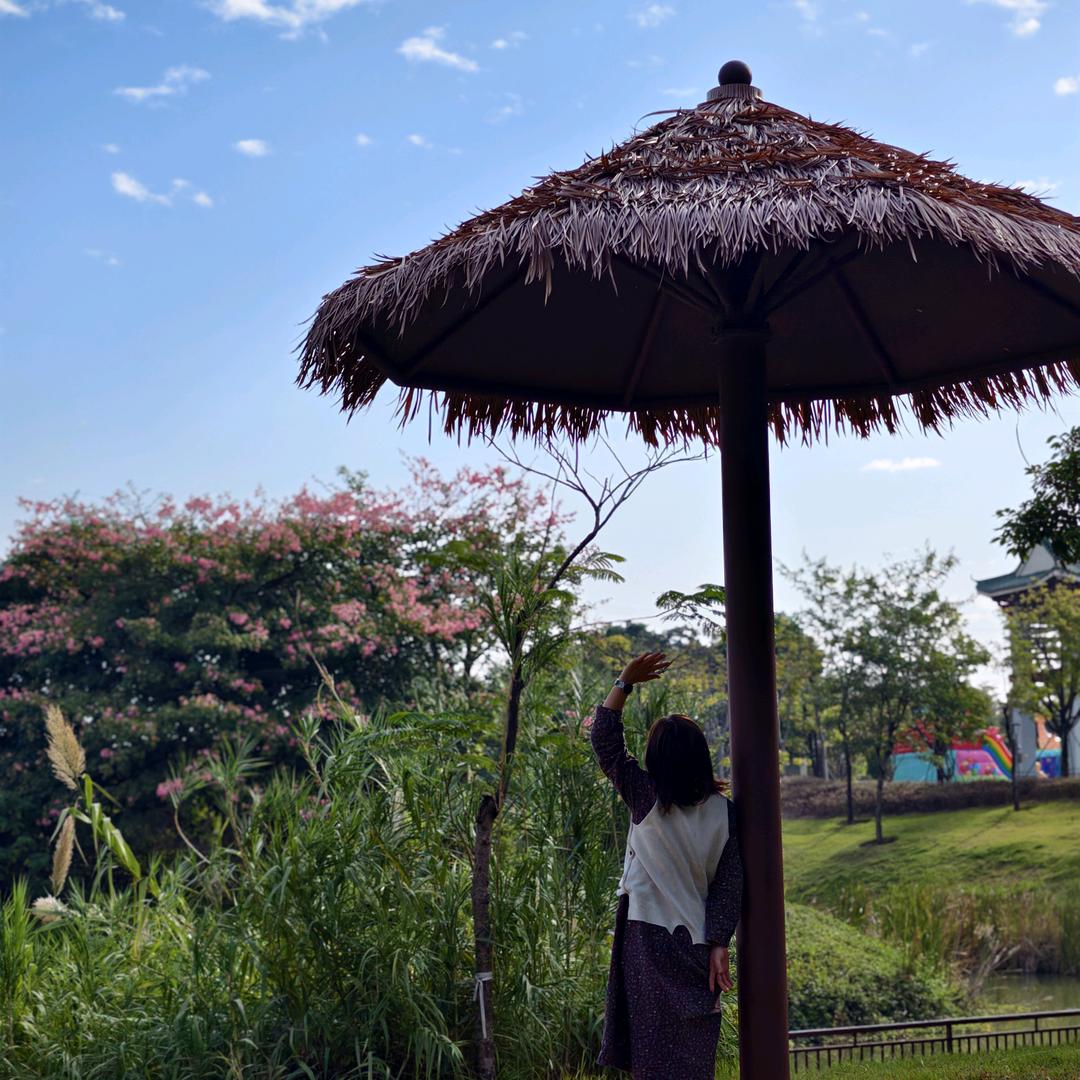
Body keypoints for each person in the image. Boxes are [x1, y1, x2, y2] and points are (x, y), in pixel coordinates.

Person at [589, 651, 743, 1080]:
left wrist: (624, 681)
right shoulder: (725, 813)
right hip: (696, 943)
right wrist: (719, 942)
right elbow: (730, 884)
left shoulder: (645, 798)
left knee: (652, 1057)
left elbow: (605, 741)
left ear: (656, 759)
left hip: (647, 939)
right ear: (701, 758)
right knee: (693, 1055)